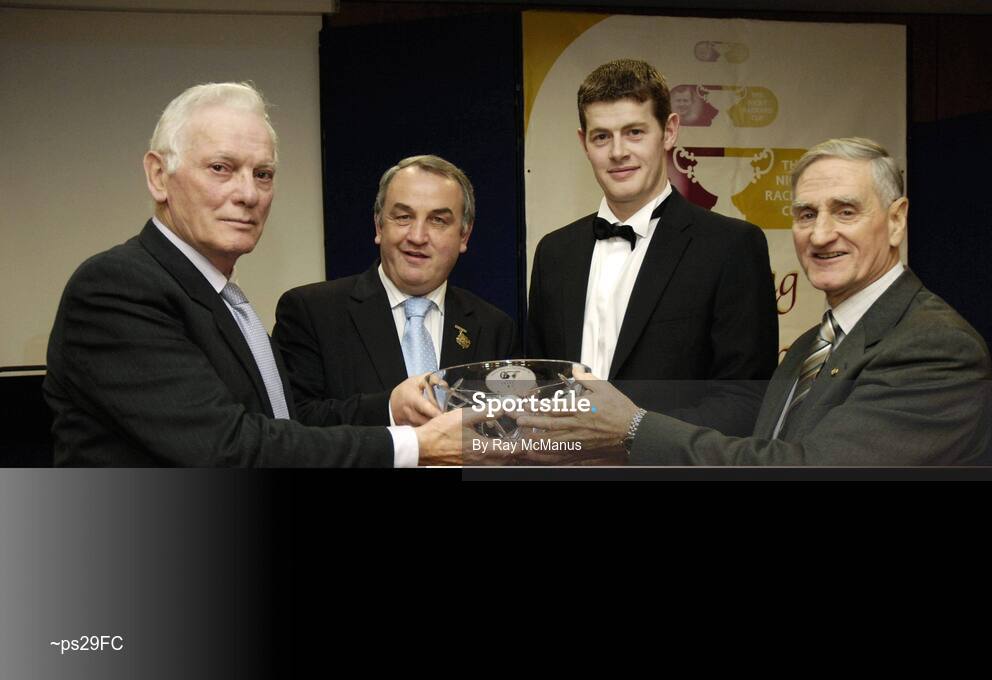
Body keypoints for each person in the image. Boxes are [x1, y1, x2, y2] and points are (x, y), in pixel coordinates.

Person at [43, 82, 464, 467]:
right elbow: (227, 445)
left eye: (262, 174)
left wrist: (390, 407)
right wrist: (416, 445)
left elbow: (282, 422)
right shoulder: (117, 289)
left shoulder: (223, 298)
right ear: (158, 176)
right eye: (221, 168)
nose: (248, 194)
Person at [520, 137, 992, 465]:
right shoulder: (813, 345)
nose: (821, 234)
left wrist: (633, 426)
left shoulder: (936, 348)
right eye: (806, 214)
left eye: (845, 211)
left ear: (895, 220)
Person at [527, 58, 777, 436]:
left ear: (670, 131)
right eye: (601, 136)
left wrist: (632, 434)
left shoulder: (731, 247)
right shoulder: (554, 253)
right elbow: (539, 384)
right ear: (584, 143)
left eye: (634, 132)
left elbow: (746, 401)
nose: (617, 152)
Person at [273, 155, 518, 428]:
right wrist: (389, 409)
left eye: (437, 220)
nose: (417, 236)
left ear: (464, 236)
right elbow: (294, 424)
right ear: (379, 225)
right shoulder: (311, 312)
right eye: (403, 217)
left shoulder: (494, 328)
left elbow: (507, 432)